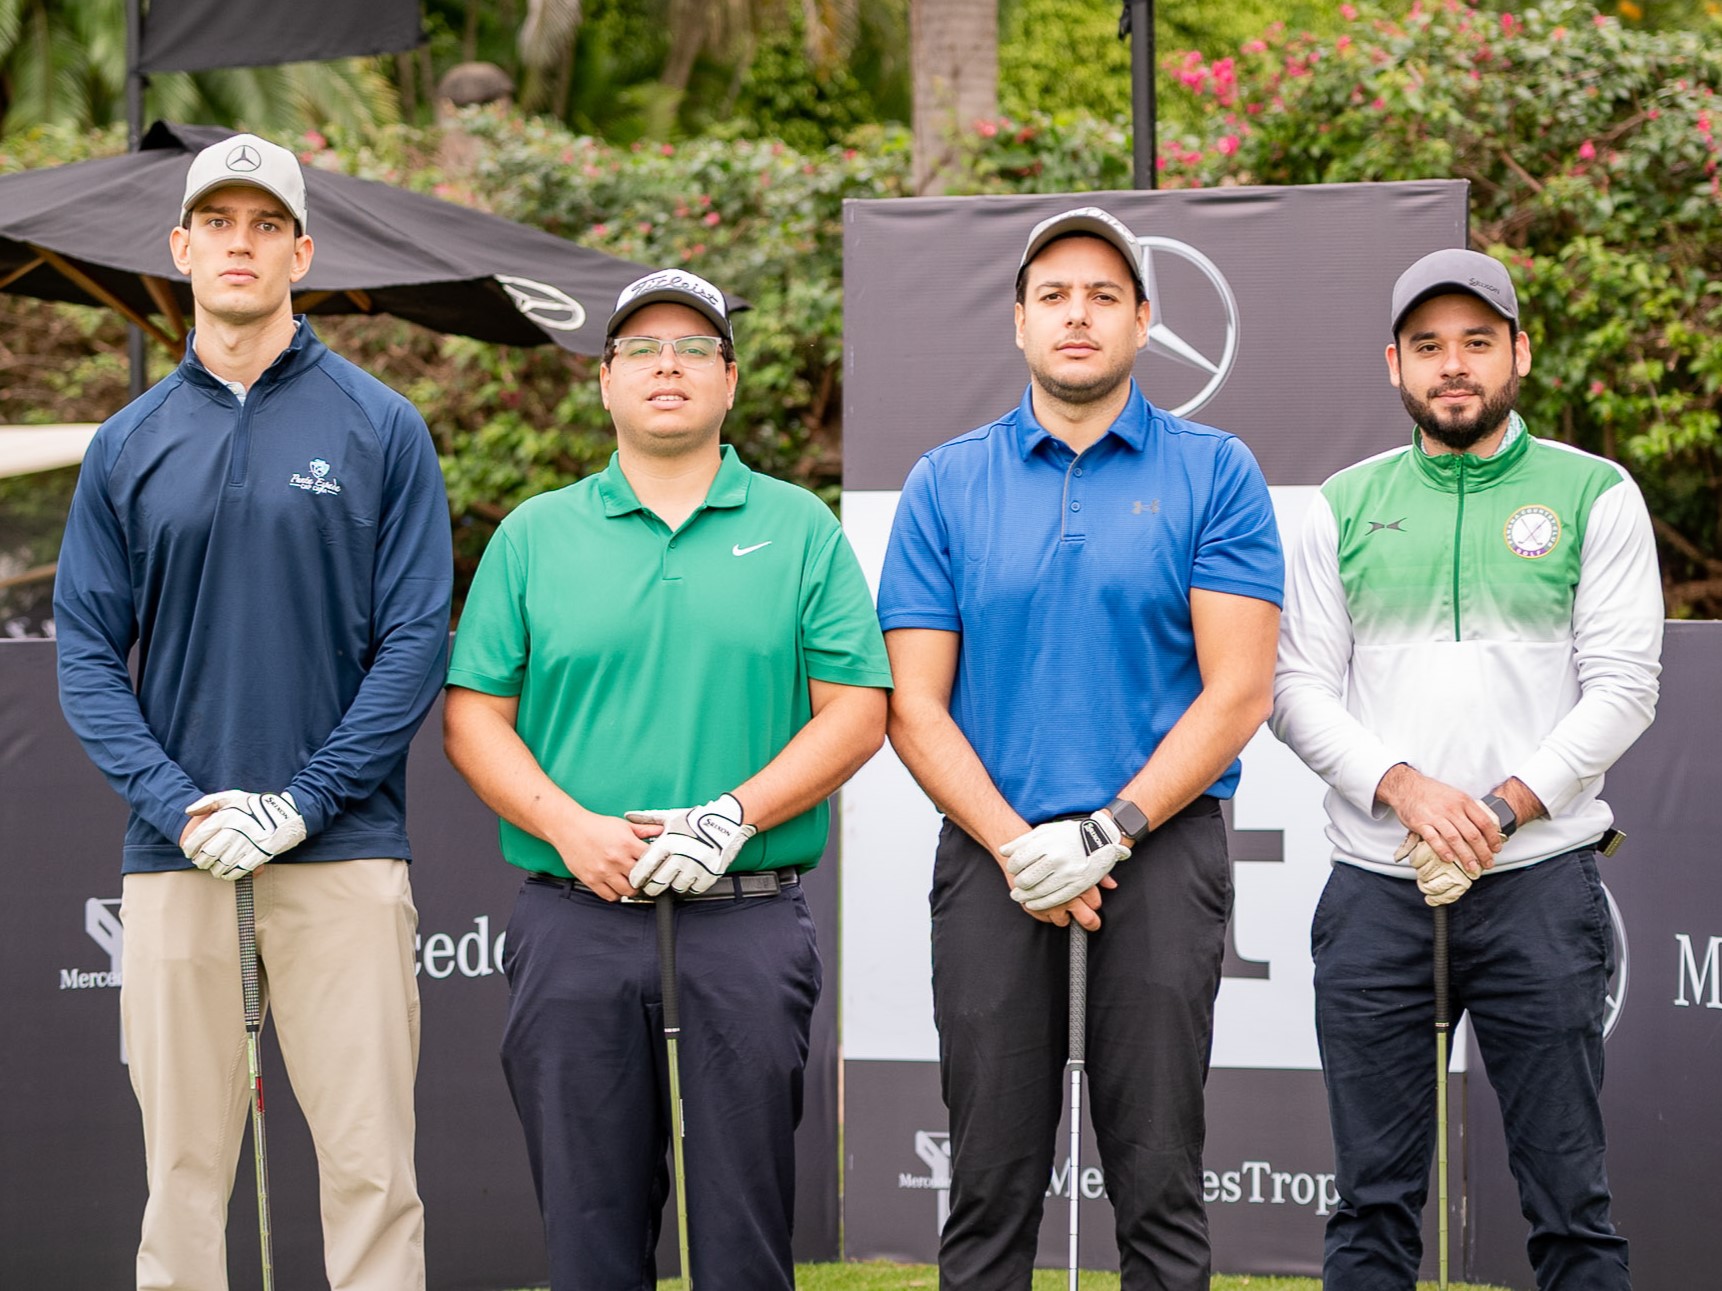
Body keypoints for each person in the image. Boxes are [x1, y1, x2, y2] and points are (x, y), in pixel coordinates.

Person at [442, 267, 891, 1291]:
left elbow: (857, 710)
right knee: (589, 1240)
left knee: (743, 1241)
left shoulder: (800, 528)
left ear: (730, 380)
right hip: (577, 918)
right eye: (641, 349)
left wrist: (733, 815)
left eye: (694, 348)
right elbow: (472, 718)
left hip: (746, 918)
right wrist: (572, 828)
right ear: (605, 380)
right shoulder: (534, 534)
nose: (667, 366)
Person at [54, 133, 451, 1290]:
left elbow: (414, 641)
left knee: (371, 1169)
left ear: (301, 254)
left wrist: (303, 802)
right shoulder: (126, 444)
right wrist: (178, 806)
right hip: (176, 858)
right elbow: (87, 653)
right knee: (181, 1175)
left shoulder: (382, 426)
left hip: (344, 850)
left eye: (266, 225)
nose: (242, 244)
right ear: (180, 249)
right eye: (219, 224)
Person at [877, 207, 1284, 1289]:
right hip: (992, 854)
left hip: (1159, 848)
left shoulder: (1216, 471)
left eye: (1104, 296)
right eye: (1053, 294)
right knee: (987, 1185)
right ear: (1018, 321)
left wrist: (1108, 832)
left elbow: (1239, 690)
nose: (1077, 314)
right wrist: (1021, 847)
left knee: (1160, 1181)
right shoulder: (946, 481)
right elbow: (913, 703)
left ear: (1143, 321)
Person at [1271, 247, 1662, 1289]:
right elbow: (1295, 689)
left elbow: (1625, 687)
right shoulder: (1343, 503)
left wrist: (1498, 809)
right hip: (1377, 890)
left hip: (1538, 885)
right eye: (1429, 346)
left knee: (1571, 1205)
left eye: (1477, 343)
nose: (1454, 365)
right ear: (1393, 363)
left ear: (1519, 353)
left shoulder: (1595, 492)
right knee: (1371, 1205)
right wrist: (1407, 789)